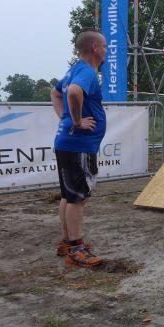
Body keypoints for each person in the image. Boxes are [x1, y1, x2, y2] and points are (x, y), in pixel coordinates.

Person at [50, 29, 107, 268]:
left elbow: (55, 93)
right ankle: (76, 248)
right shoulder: (87, 71)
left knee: (68, 195)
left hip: (67, 143)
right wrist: (76, 121)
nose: (106, 51)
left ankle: (67, 242)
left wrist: (65, 119)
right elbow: (73, 92)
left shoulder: (73, 69)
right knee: (77, 197)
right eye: (105, 47)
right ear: (95, 47)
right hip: (79, 145)